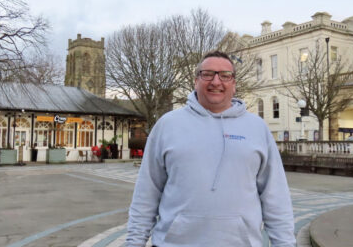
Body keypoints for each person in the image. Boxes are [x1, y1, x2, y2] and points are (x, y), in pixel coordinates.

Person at [126, 51, 296, 247]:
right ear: (196, 80)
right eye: (207, 74)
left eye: (225, 75)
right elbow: (147, 193)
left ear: (234, 83)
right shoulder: (168, 125)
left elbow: (275, 196)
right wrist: (133, 243)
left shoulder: (257, 128)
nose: (216, 82)